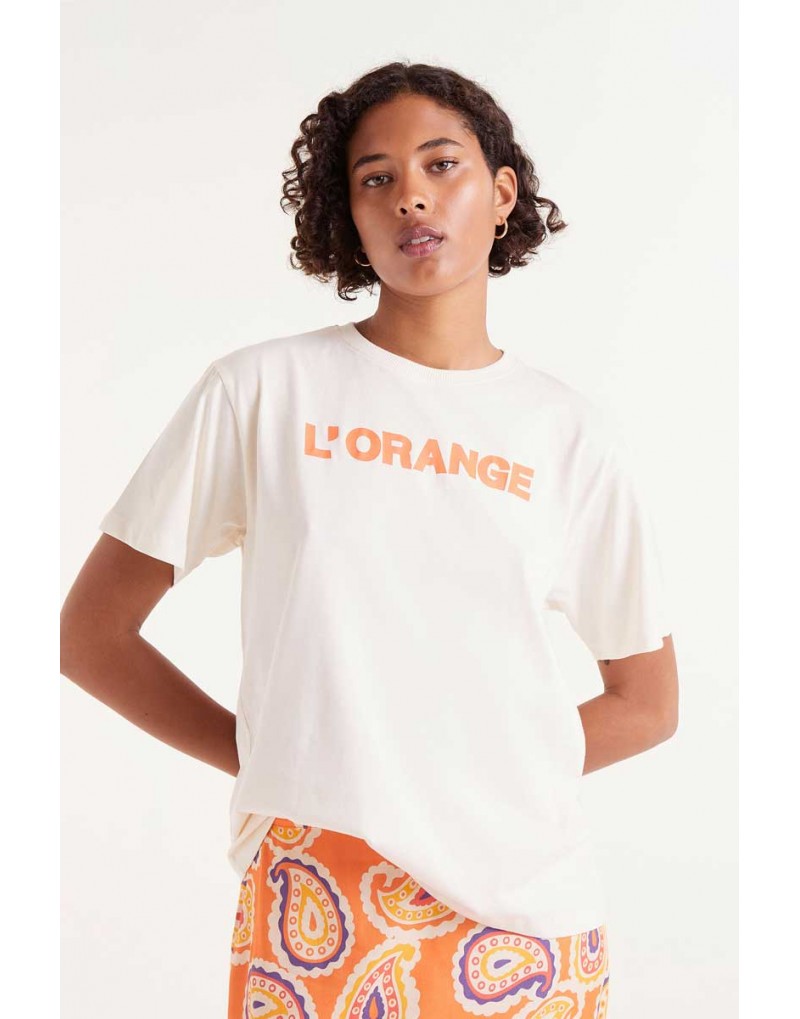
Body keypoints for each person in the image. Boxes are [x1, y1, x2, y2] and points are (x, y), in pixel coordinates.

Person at [61, 61, 678, 1018]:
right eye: (375, 177)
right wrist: (279, 755)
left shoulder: (569, 434)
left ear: (502, 193)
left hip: (530, 911)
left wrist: (474, 769)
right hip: (318, 888)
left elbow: (647, 701)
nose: (411, 196)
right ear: (347, 215)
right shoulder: (263, 392)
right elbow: (90, 634)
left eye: (442, 164)